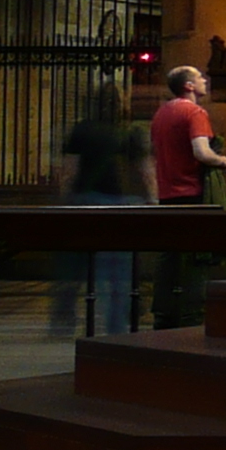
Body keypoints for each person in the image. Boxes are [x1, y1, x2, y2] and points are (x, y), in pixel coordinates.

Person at [50, 84, 150, 337]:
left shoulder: (82, 129)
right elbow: (145, 173)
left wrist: (65, 201)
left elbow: (69, 170)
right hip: (119, 205)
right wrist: (152, 202)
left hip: (83, 201)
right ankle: (116, 326)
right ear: (122, 104)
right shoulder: (130, 132)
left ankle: (63, 320)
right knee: (116, 273)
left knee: (71, 267)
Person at [150, 65, 226, 329]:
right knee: (197, 258)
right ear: (188, 86)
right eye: (199, 78)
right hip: (193, 194)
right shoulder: (194, 112)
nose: (205, 81)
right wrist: (221, 160)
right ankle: (192, 316)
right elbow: (201, 152)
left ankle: (163, 312)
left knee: (169, 256)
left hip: (167, 194)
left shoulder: (162, 113)